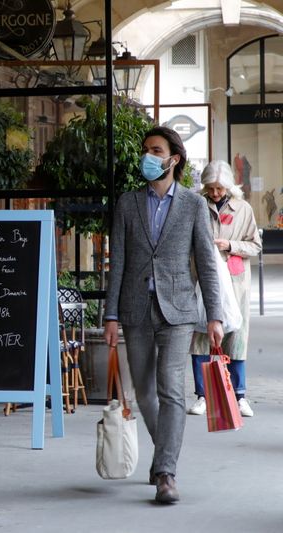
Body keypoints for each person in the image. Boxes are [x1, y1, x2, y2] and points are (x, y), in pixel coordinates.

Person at [104, 126, 224, 505]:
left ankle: (165, 473)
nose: (148, 157)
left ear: (174, 158)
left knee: (170, 389)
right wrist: (109, 315)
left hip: (179, 311)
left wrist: (214, 315)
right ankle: (164, 454)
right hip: (135, 309)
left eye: (156, 150)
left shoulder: (192, 204)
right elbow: (118, 262)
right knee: (143, 391)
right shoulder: (128, 203)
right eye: (145, 150)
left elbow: (206, 263)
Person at [187, 160, 261, 417]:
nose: (215, 193)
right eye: (211, 188)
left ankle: (239, 395)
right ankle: (202, 396)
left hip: (235, 282)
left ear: (229, 186)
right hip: (202, 281)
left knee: (236, 338)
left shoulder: (243, 209)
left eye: (220, 188)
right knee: (199, 336)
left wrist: (229, 244)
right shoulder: (197, 206)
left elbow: (255, 245)